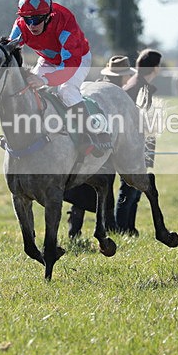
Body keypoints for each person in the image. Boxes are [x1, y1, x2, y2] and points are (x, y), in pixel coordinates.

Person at [9, 0, 110, 157]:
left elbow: (69, 64)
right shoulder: (21, 26)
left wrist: (46, 80)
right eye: (28, 19)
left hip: (77, 59)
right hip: (49, 59)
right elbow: (10, 51)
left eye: (38, 18)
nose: (33, 25)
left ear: (49, 15)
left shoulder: (65, 22)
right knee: (27, 88)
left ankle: (92, 134)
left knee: (66, 91)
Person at [65, 55, 136, 238]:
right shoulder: (113, 95)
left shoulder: (95, 87)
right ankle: (108, 227)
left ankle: (75, 230)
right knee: (101, 189)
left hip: (88, 144)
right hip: (101, 146)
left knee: (82, 189)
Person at [114, 49, 163, 235]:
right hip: (132, 146)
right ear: (155, 68)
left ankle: (129, 227)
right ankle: (121, 229)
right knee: (128, 189)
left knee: (135, 190)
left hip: (138, 144)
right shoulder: (138, 88)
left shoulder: (139, 85)